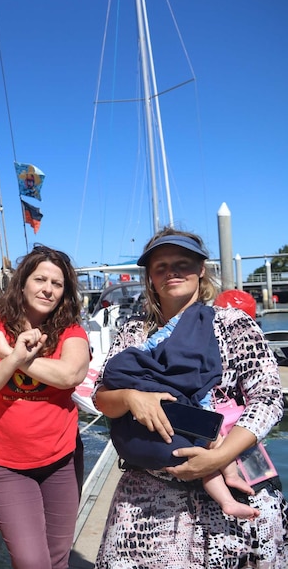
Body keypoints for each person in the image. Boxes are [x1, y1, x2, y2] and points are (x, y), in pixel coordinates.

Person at [93, 228, 287, 567]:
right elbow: (102, 397)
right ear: (150, 278)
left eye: (182, 264)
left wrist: (218, 458)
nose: (172, 273)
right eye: (161, 267)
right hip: (150, 495)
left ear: (201, 270)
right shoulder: (134, 332)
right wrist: (130, 397)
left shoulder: (232, 323)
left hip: (237, 472)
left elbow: (268, 398)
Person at [0, 245, 90, 569]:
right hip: (4, 463)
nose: (48, 288)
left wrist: (7, 355)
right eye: (40, 279)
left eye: (57, 284)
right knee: (33, 562)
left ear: (64, 293)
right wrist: (15, 355)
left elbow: (70, 374)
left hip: (60, 459)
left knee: (58, 560)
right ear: (22, 283)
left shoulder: (71, 331)